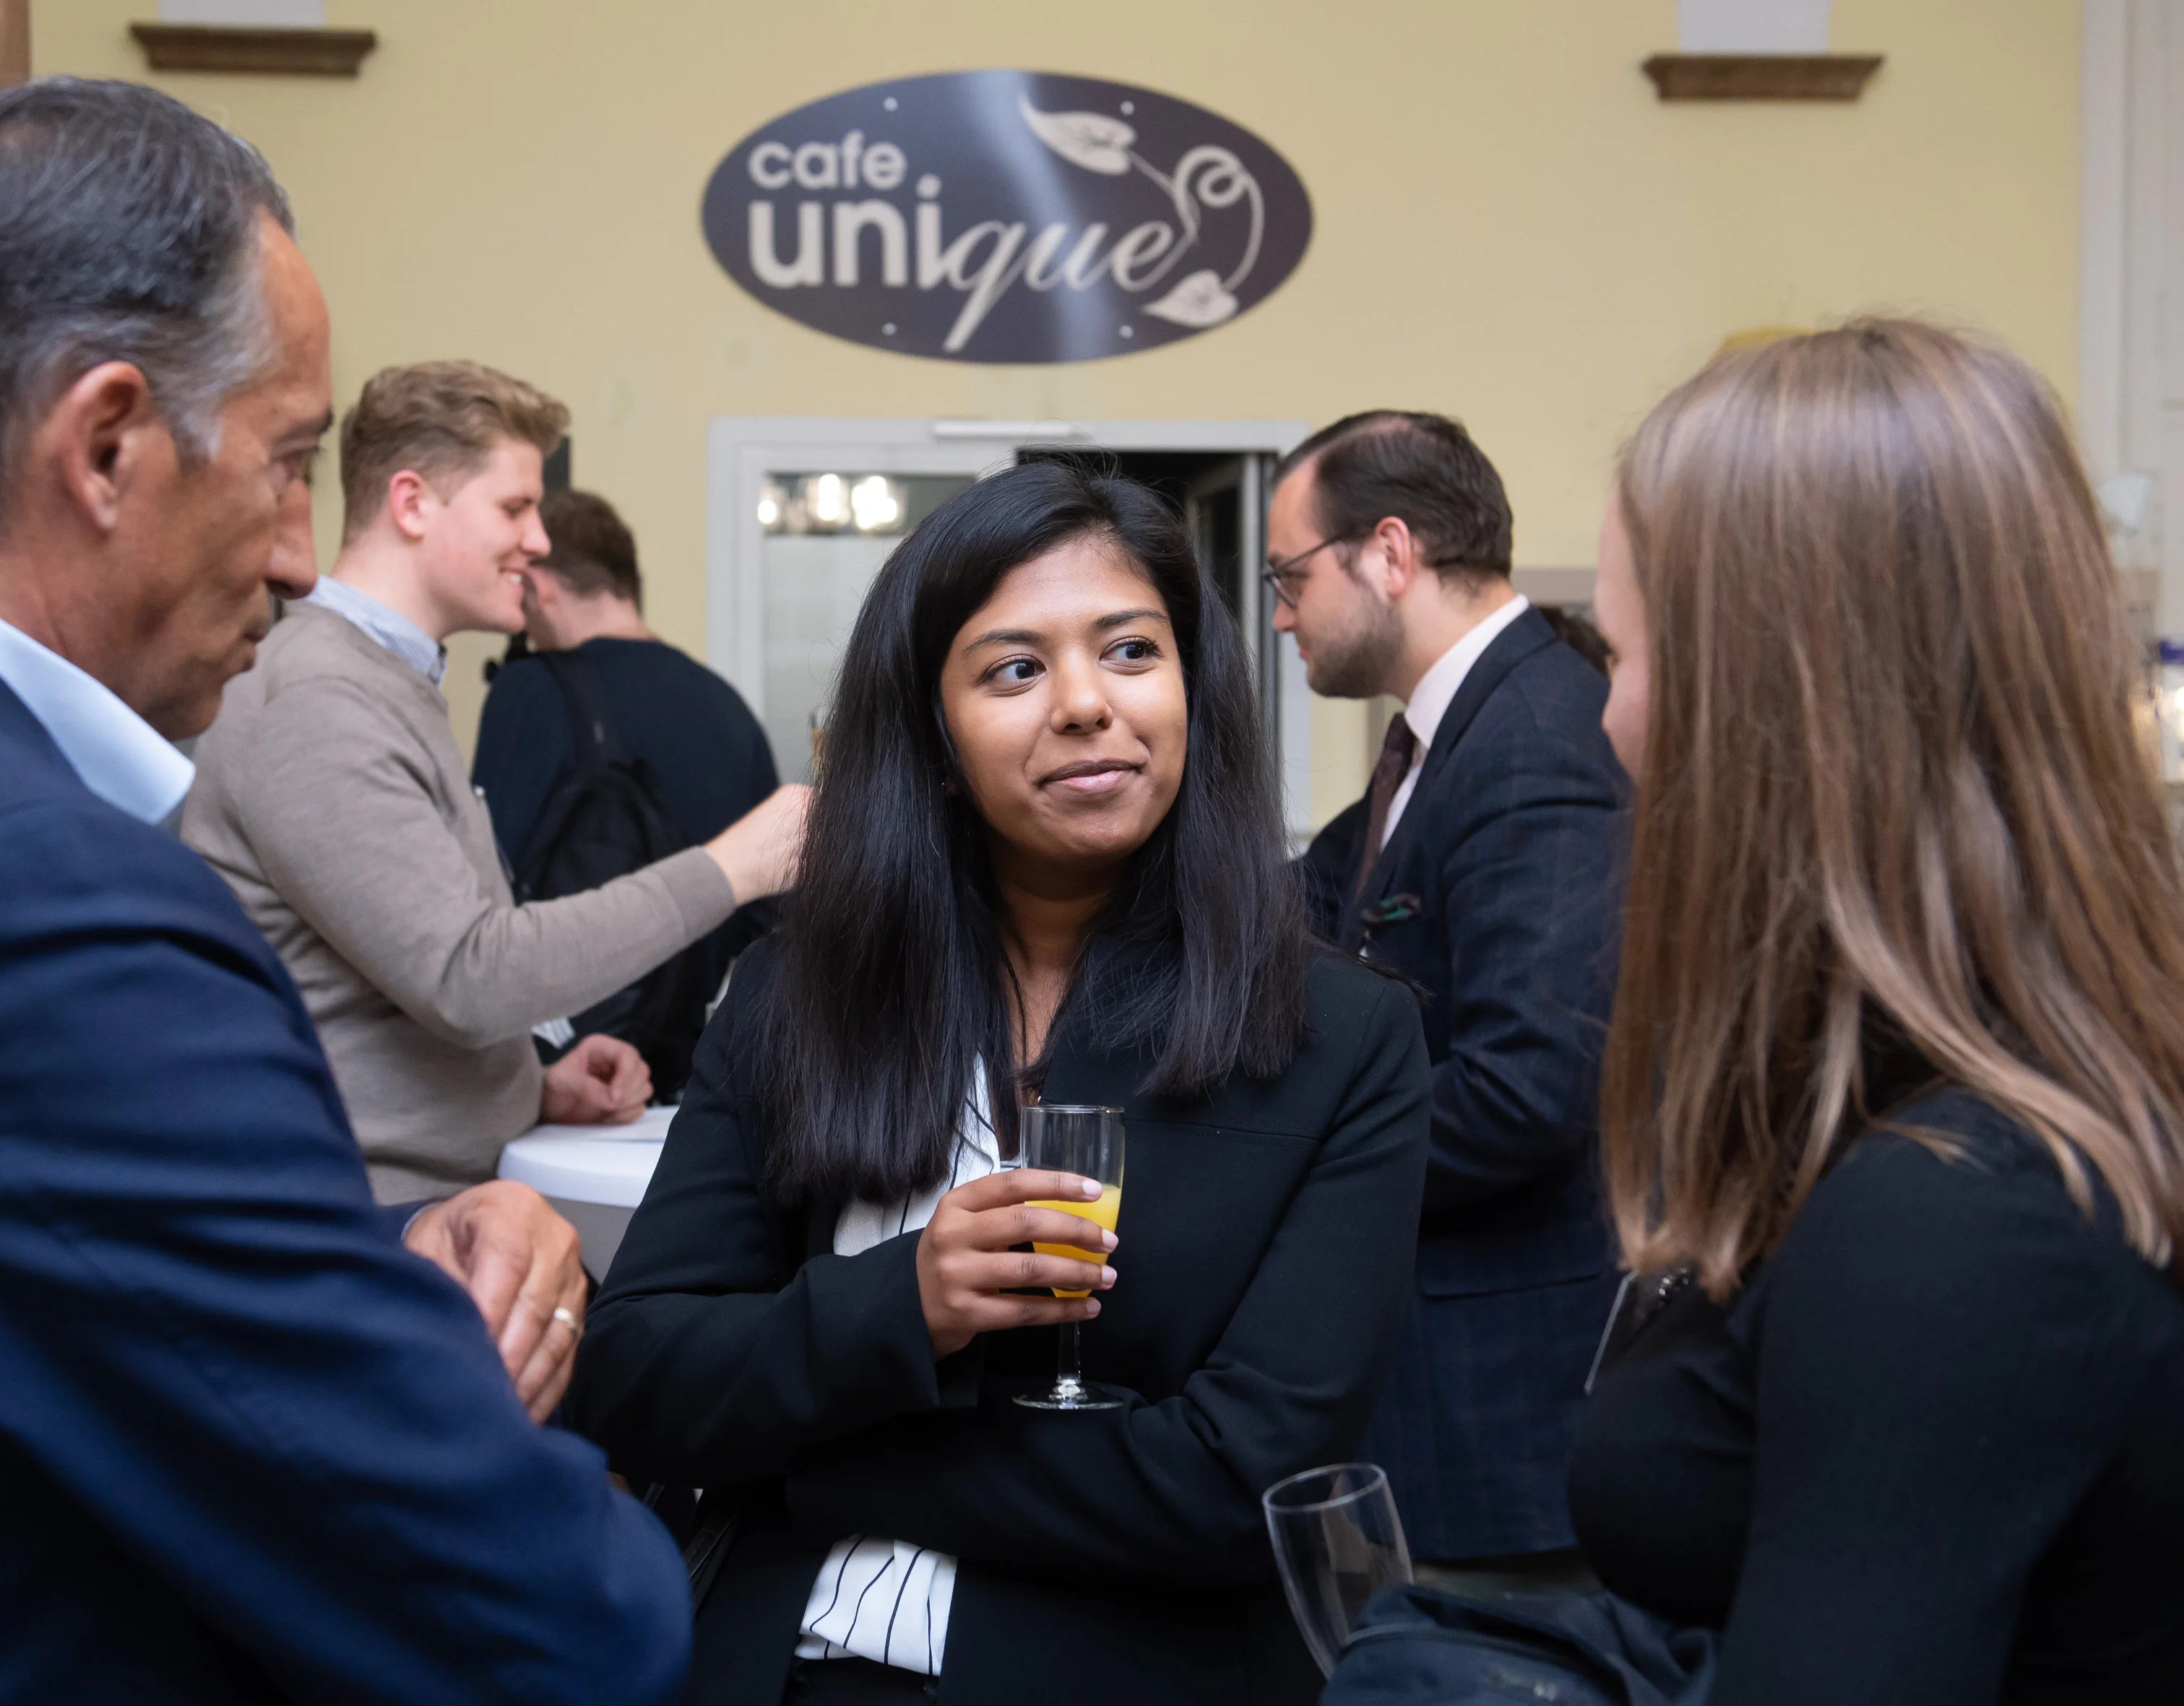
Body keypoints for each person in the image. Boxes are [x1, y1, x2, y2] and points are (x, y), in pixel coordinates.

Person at [0, 79, 687, 1702]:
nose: (288, 553)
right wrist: (434, 1379)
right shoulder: (32, 903)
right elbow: (546, 1620)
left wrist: (357, 1258)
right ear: (106, 443)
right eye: (282, 465)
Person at [567, 459, 1433, 1706]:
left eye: (1130, 651)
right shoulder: (792, 996)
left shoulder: (1336, 1038)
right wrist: (900, 1305)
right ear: (929, 730)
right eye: (1014, 668)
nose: (1085, 704)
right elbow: (639, 1372)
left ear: (1193, 685)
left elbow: (1233, 1485)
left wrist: (811, 1457)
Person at [1569, 319, 2184, 1702]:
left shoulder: (1954, 1218)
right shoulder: (1962, 1119)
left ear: (1769, 706)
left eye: (1622, 655)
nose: (1605, 720)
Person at [181, 365, 807, 1201]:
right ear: (411, 504)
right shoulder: (322, 696)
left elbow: (399, 976)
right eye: (514, 508)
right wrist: (735, 867)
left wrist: (531, 1086)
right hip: (360, 1209)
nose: (540, 540)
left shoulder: (384, 682)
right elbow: (471, 975)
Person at [1269, 412, 1630, 1589]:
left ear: (1387, 553)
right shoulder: (1436, 739)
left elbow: (1527, 1091)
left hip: (1507, 1408)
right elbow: (1297, 906)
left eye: (1286, 579)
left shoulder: (1533, 735)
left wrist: (1289, 1171)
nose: (1278, 616)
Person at [473, 487, 782, 1096]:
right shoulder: (725, 708)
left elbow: (485, 885)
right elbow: (769, 917)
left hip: (557, 1073)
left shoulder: (529, 692)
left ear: (538, 584)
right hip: (678, 1081)